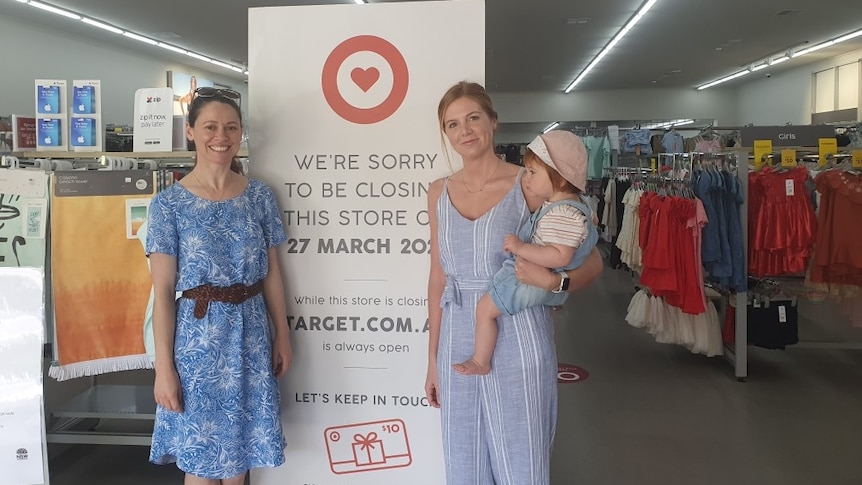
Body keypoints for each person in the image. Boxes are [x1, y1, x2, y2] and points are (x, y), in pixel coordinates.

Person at [425, 81, 603, 485]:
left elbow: (592, 263)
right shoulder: (437, 192)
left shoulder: (532, 184)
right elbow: (438, 278)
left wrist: (554, 282)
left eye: (473, 118)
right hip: (456, 334)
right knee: (463, 461)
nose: (464, 131)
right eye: (452, 124)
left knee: (521, 462)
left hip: (520, 331)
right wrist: (432, 360)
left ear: (493, 121)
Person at [147, 86, 291, 485]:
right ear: (191, 131)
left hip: (251, 335)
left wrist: (282, 335)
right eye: (210, 126)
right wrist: (164, 369)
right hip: (198, 342)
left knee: (240, 451)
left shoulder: (260, 197)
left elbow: (272, 274)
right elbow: (162, 293)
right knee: (202, 458)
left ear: (241, 133)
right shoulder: (167, 205)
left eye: (231, 127)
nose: (221, 136)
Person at [453, 130, 598, 376]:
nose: (526, 178)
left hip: (531, 277)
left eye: (532, 172)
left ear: (560, 179)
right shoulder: (568, 207)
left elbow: (561, 256)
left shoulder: (562, 214)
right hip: (539, 279)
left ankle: (481, 360)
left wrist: (521, 248)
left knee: (485, 310)